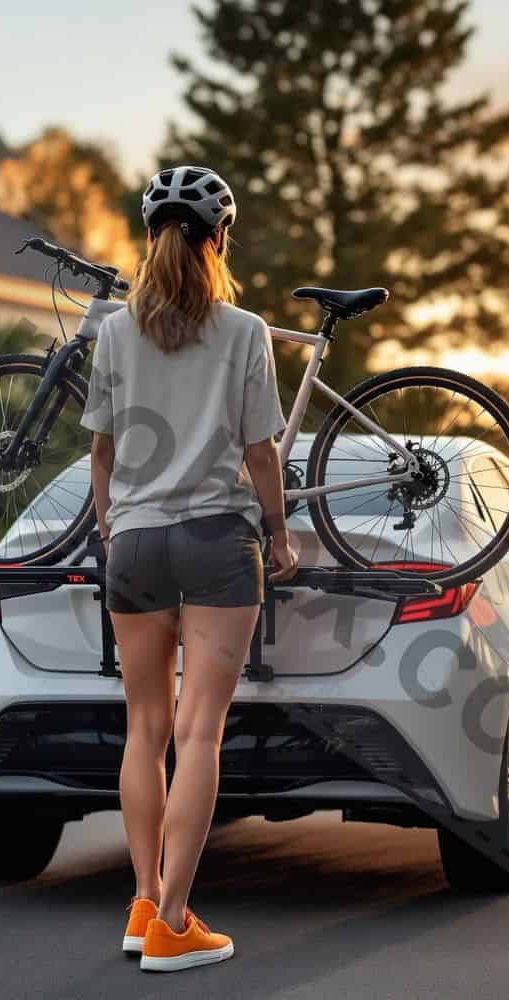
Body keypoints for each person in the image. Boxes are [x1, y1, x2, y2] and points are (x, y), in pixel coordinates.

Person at [80, 165, 299, 973]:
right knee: (199, 731)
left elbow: (101, 451)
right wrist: (279, 535)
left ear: (149, 239)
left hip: (135, 544)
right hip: (216, 542)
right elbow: (260, 450)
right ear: (219, 239)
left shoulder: (115, 331)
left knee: (145, 730)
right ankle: (174, 922)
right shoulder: (244, 330)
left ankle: (143, 905)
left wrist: (112, 531)